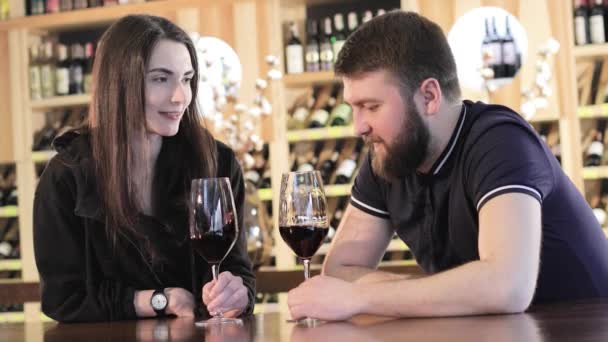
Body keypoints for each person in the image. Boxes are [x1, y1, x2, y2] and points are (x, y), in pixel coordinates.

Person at [287, 10, 608, 321]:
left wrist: (359, 297)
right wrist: (437, 291)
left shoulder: (500, 141)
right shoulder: (387, 157)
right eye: (353, 108)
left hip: (579, 329)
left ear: (429, 96)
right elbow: (340, 271)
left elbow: (507, 287)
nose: (358, 127)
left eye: (371, 106)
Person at [33, 14, 255, 322]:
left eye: (187, 79)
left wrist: (238, 293)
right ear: (119, 84)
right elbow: (62, 298)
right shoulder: (66, 177)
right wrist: (157, 300)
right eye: (160, 79)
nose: (181, 97)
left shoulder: (218, 163)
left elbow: (237, 269)